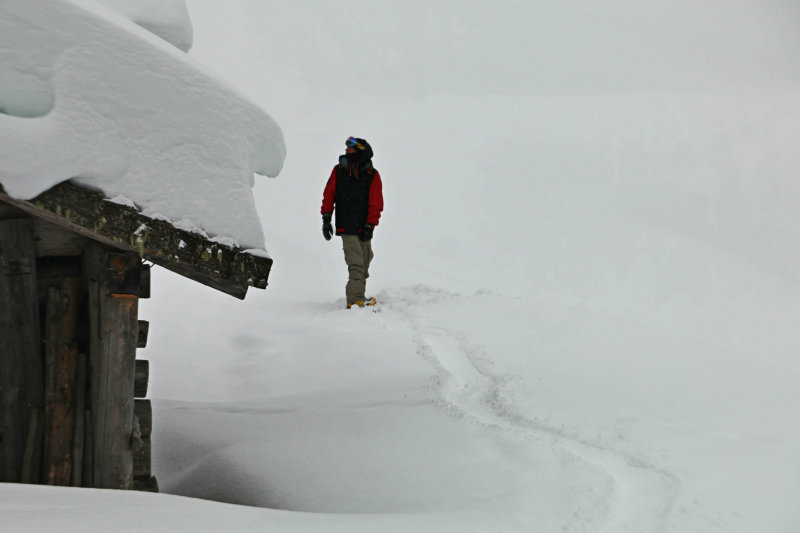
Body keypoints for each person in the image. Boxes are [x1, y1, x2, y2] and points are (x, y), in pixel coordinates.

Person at [321, 136, 384, 309]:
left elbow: (376, 202)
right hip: (346, 226)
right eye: (347, 148)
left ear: (361, 151)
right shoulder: (339, 170)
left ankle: (359, 296)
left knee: (365, 260)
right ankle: (354, 300)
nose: (346, 151)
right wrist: (326, 218)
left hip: (364, 226)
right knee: (355, 263)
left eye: (351, 148)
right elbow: (329, 194)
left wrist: (370, 225)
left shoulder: (372, 174)